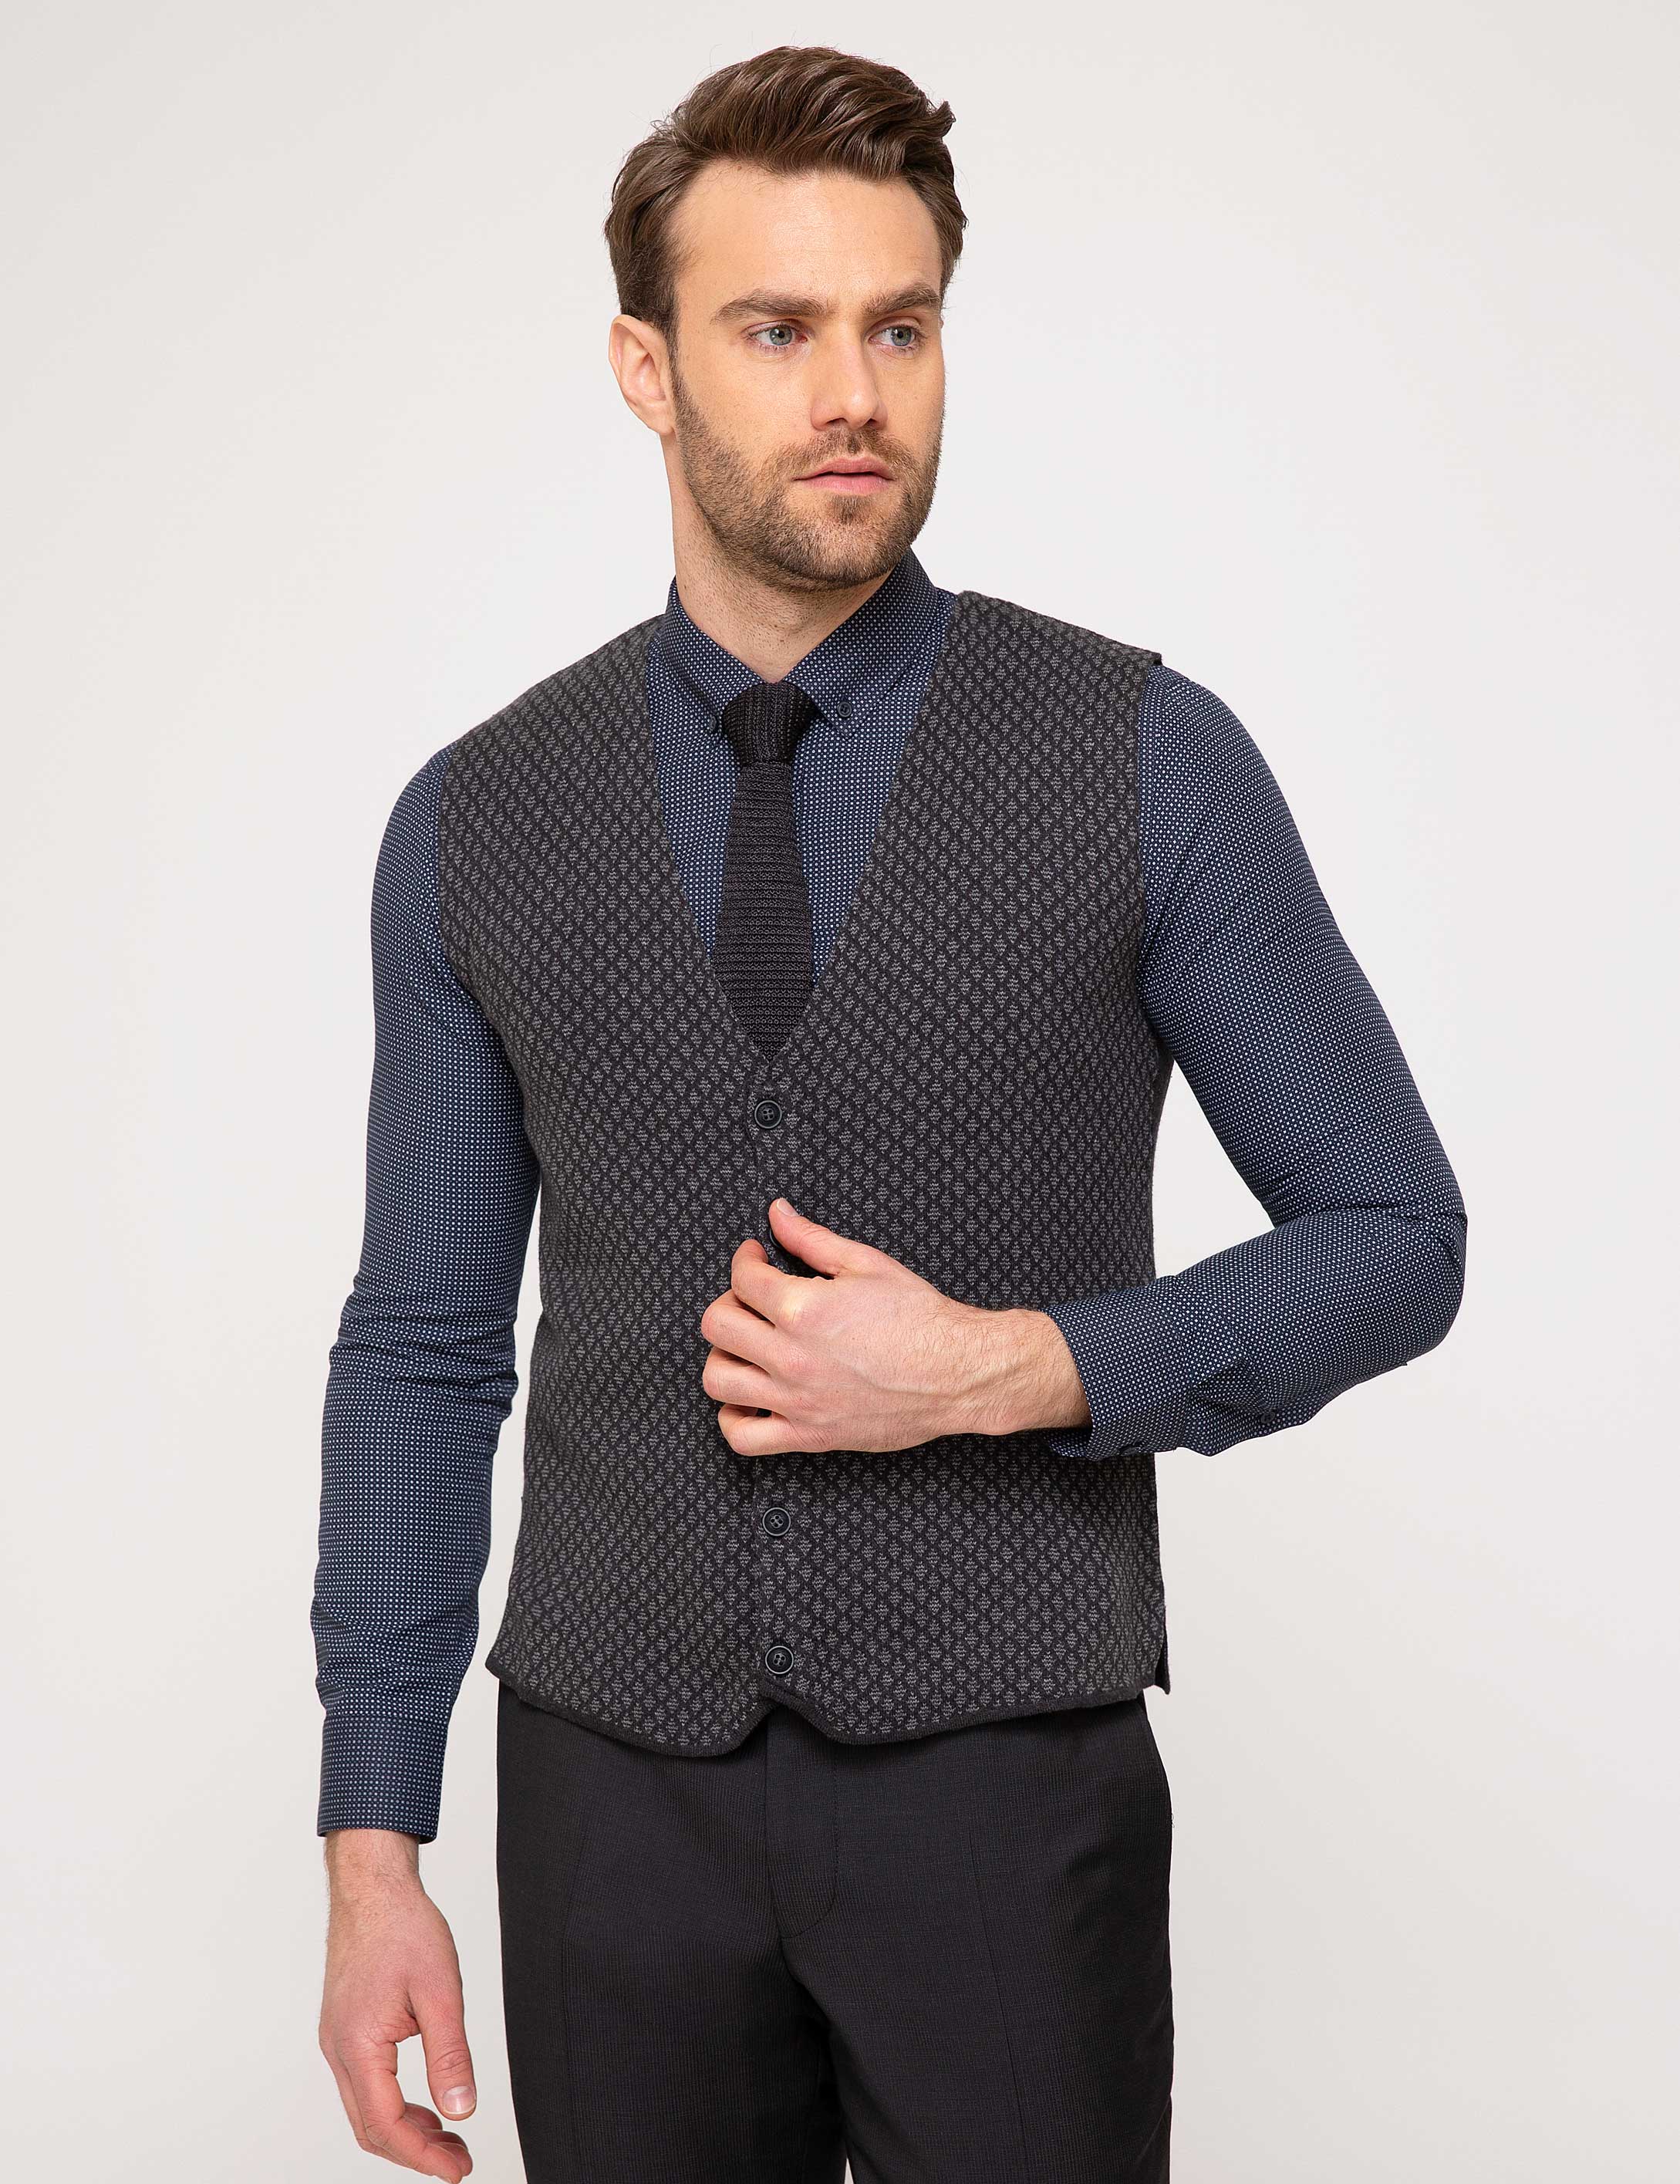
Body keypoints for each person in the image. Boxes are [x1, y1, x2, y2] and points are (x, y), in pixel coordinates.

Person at [311, 42, 1467, 2184]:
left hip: (1007, 1789)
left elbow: (1394, 1236)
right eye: (777, 330)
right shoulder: (474, 819)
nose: (855, 394)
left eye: (901, 327)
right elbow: (422, 1345)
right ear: (646, 369)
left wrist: (1004, 1369)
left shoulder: (1146, 755)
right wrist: (373, 1846)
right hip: (611, 1795)